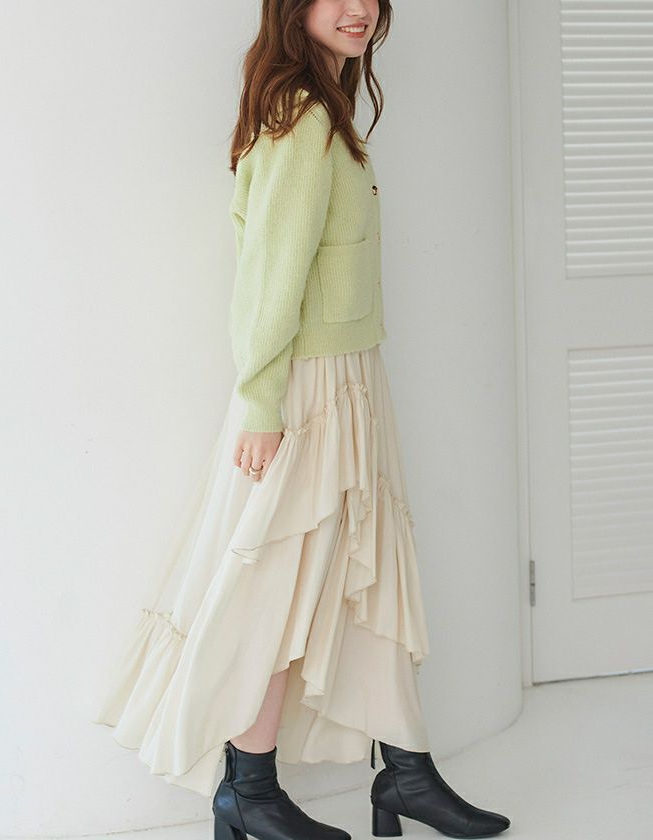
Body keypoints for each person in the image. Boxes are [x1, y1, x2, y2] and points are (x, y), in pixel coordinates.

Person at [91, 2, 512, 839]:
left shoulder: (326, 111)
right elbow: (268, 279)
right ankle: (248, 791)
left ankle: (406, 773)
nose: (360, 9)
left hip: (350, 374)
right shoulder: (301, 118)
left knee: (368, 573)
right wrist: (260, 403)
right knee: (277, 588)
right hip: (311, 388)